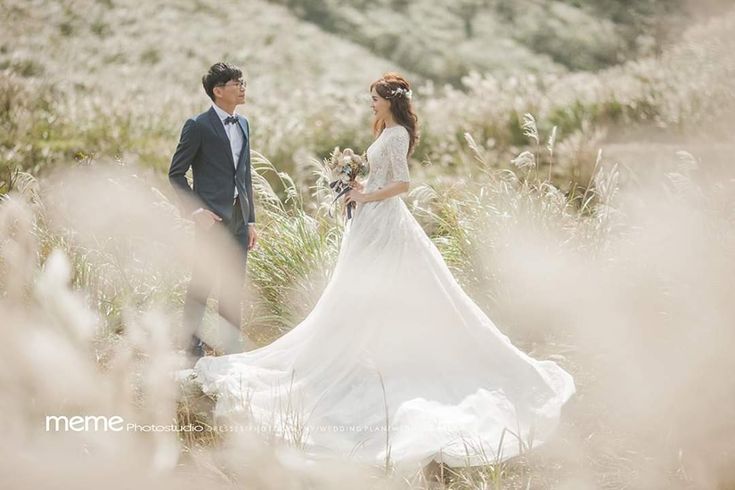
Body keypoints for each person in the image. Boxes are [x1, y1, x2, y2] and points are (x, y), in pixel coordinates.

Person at [192, 73, 575, 472]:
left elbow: (403, 185)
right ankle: (364, 351)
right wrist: (352, 184)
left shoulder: (396, 136)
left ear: (390, 100)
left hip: (386, 219)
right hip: (370, 220)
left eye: (374, 98)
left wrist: (363, 194)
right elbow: (380, 177)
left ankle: (378, 356)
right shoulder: (387, 131)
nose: (370, 103)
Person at [169, 62, 257, 363]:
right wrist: (197, 212)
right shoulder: (197, 126)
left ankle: (232, 347)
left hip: (238, 219)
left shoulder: (244, 124)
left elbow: (245, 176)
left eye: (242, 81)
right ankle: (191, 346)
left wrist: (251, 220)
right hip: (210, 221)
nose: (243, 86)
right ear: (218, 91)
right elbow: (176, 174)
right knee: (202, 283)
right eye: (236, 82)